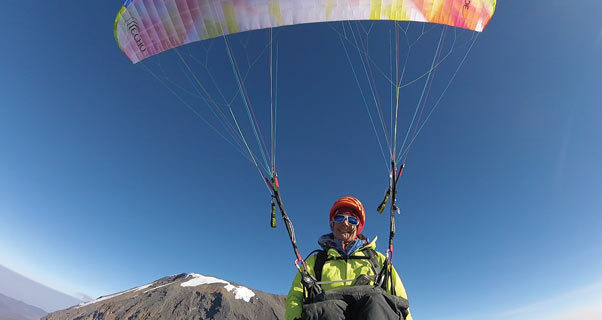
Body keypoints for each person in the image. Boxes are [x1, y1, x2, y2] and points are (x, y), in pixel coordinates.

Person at [285, 196, 412, 320]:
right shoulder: (315, 262)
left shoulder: (378, 260)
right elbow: (295, 297)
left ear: (358, 227)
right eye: (340, 218)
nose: (345, 223)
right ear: (332, 224)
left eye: (352, 220)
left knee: (377, 303)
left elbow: (400, 301)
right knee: (327, 309)